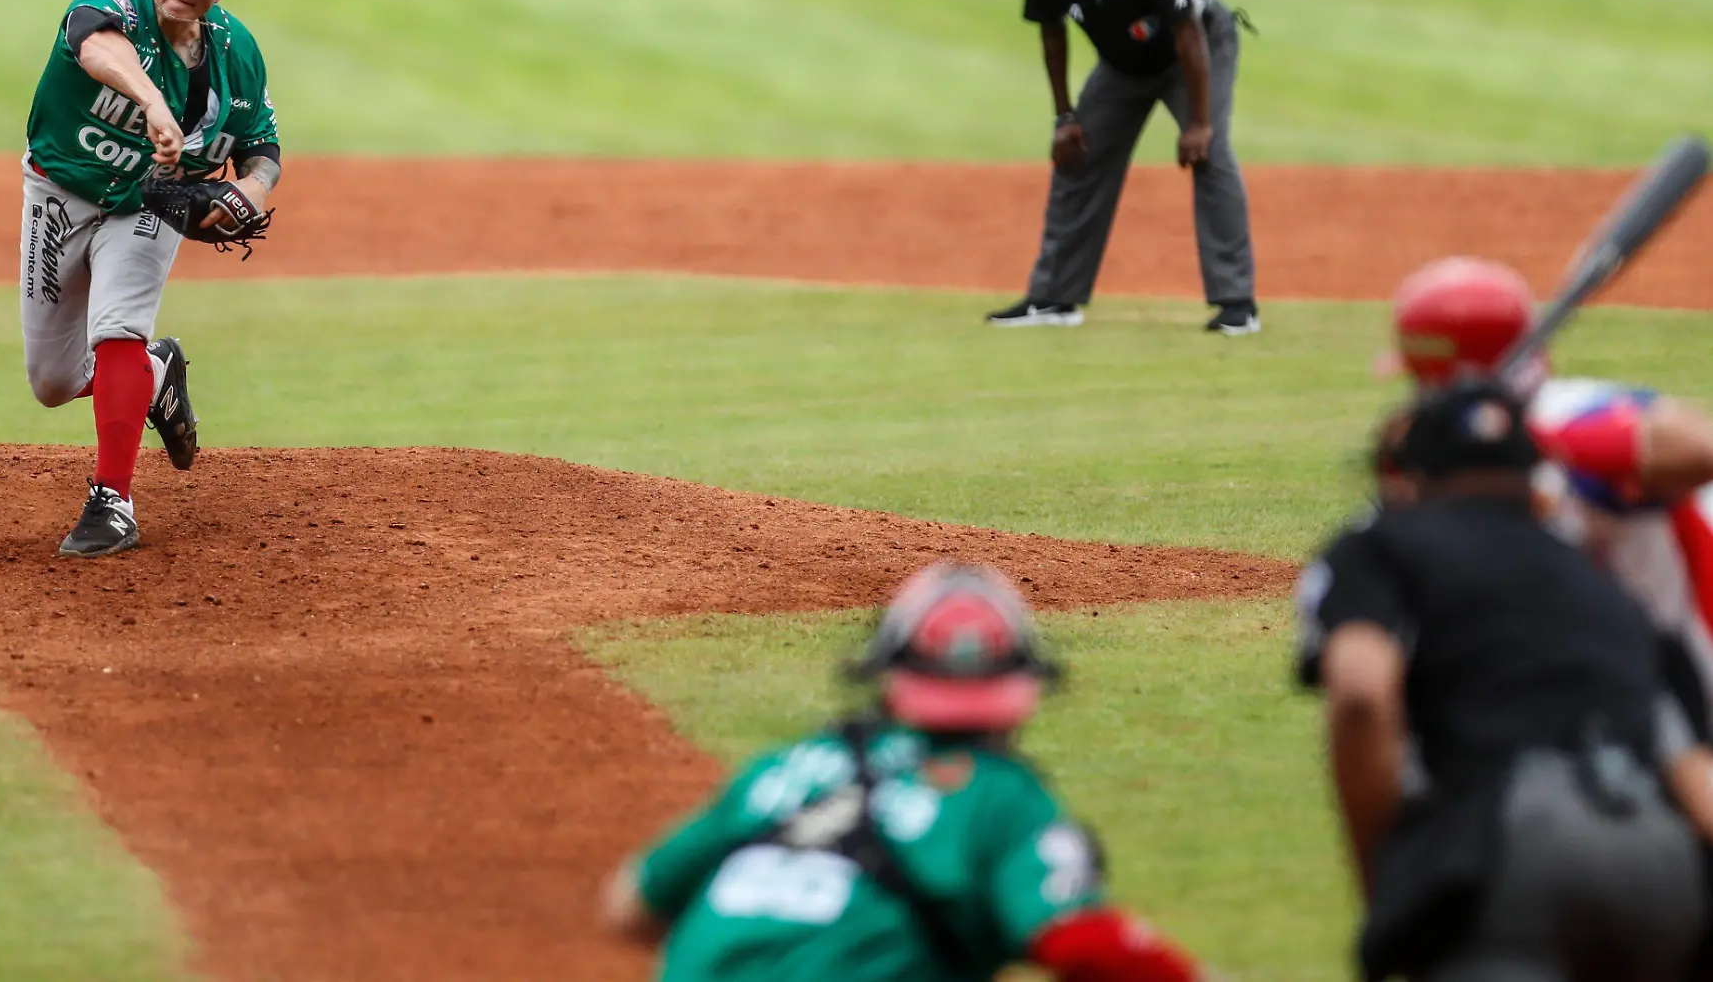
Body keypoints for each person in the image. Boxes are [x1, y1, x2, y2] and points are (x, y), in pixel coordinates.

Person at [599, 561, 1208, 982]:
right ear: (1021, 687)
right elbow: (1081, 944)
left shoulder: (785, 769)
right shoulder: (998, 797)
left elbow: (629, 903)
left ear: (888, 674)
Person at [1299, 379, 1713, 982]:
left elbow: (1361, 697)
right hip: (1661, 866)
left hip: (1512, 853)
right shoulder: (1608, 588)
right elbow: (1691, 772)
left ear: (1411, 478)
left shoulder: (1382, 547)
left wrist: (1387, 883)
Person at [19, 0, 281, 557]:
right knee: (52, 382)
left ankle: (113, 502)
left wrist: (250, 194)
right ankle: (154, 375)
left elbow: (262, 150)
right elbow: (93, 47)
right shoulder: (110, 1)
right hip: (59, 192)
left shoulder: (235, 52)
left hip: (152, 203)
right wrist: (152, 103)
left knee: (117, 329)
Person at [1381, 257, 1713, 735]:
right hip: (1587, 715)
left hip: (1682, 707)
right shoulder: (1433, 463)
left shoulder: (1579, 412)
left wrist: (1521, 440)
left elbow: (1697, 449)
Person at [987, 0, 1259, 336]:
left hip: (1195, 51)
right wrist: (1065, 117)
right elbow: (1052, 32)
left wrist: (1200, 123)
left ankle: (1238, 304)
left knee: (1210, 154)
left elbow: (1187, 32)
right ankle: (1054, 298)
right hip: (1123, 66)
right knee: (1077, 156)